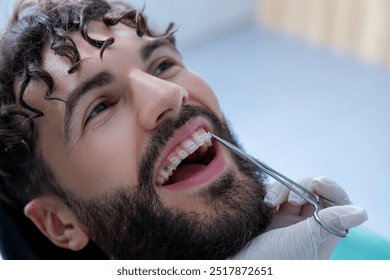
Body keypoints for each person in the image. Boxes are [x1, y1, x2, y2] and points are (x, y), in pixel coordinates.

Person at [0, 0, 367, 260]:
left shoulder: (331, 240)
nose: (171, 95)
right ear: (60, 223)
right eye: (99, 107)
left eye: (162, 66)